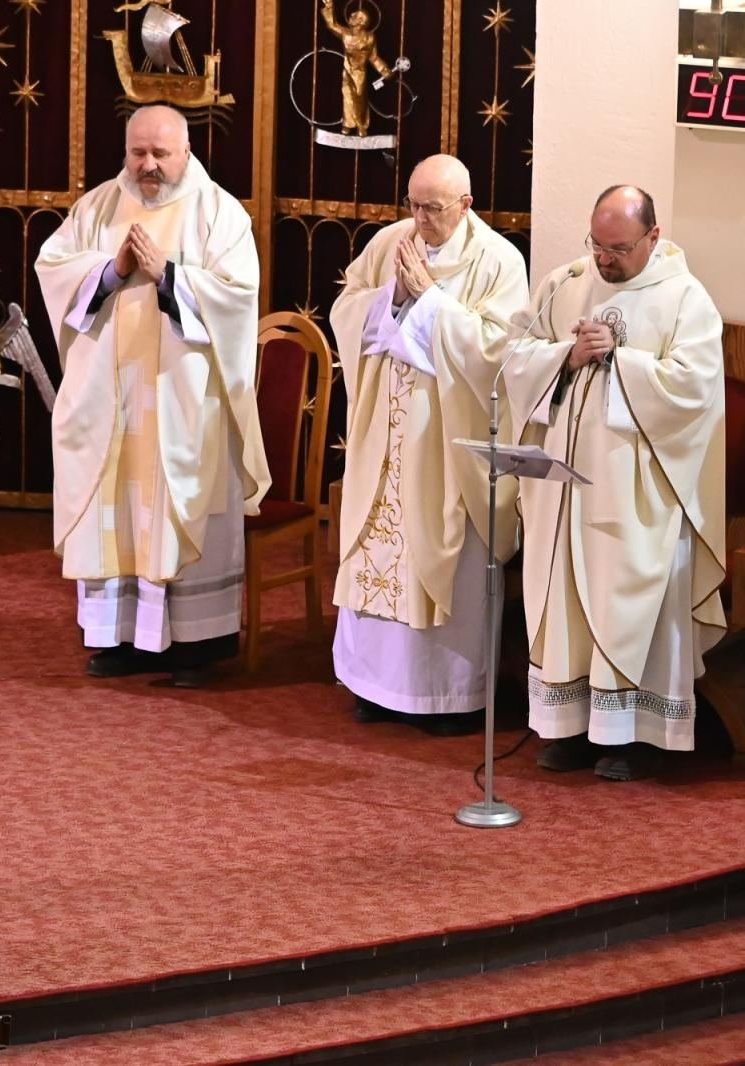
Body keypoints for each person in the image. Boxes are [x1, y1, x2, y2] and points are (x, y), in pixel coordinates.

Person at [35, 104, 269, 687]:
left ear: (185, 152)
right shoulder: (97, 208)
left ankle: (197, 644)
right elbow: (54, 268)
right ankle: (123, 638)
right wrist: (110, 272)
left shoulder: (220, 214)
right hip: (111, 402)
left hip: (185, 403)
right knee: (117, 510)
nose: (147, 165)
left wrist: (170, 276)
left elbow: (238, 297)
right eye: (137, 152)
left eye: (160, 154)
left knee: (182, 503)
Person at [502, 185, 726, 780]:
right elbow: (514, 354)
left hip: (636, 494)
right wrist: (566, 359)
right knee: (567, 601)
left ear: (653, 236)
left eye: (619, 248)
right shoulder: (565, 281)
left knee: (623, 603)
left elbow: (695, 388)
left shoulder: (685, 299)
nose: (604, 260)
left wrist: (620, 359)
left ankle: (631, 738)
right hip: (562, 489)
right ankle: (570, 729)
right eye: (597, 246)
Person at [329, 154, 528, 735]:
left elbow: (501, 353)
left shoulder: (499, 261)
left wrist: (431, 303)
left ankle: (444, 695)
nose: (420, 219)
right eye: (413, 205)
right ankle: (373, 684)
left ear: (465, 205)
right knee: (376, 542)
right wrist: (390, 299)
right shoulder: (391, 240)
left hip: (445, 441)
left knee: (440, 551)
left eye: (433, 209)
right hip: (382, 434)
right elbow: (347, 306)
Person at [320, 0, 395, 137]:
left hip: (360, 72)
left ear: (361, 21)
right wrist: (329, 6)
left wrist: (384, 70)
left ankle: (361, 125)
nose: (351, 16)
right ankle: (347, 125)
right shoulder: (345, 33)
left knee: (359, 97)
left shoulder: (369, 38)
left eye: (355, 16)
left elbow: (373, 57)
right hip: (347, 69)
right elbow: (332, 24)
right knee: (347, 96)